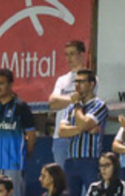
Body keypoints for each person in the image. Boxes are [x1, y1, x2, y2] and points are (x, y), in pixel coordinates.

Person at [0, 68, 35, 196]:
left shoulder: (21, 107)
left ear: (11, 84)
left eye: (1, 83)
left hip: (14, 164)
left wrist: (24, 155)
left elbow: (31, 135)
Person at [58, 69, 109, 196]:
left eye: (81, 82)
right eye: (76, 81)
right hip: (71, 160)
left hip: (90, 160)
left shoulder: (99, 105)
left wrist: (77, 106)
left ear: (91, 84)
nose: (77, 85)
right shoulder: (70, 108)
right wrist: (83, 129)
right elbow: (62, 131)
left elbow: (84, 123)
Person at [49, 39, 89, 168]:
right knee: (62, 182)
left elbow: (87, 102)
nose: (69, 58)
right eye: (66, 54)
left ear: (82, 54)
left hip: (80, 136)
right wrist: (72, 99)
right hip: (60, 137)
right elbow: (53, 103)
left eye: (72, 54)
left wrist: (64, 100)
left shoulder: (90, 78)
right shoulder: (62, 80)